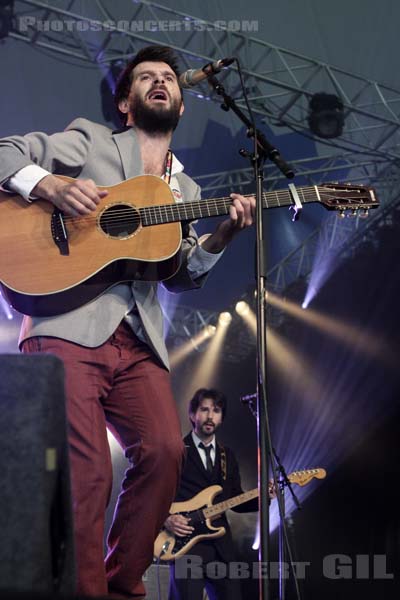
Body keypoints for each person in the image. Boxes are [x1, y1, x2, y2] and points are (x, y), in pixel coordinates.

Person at [0, 46, 255, 598]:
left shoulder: (184, 192)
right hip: (67, 325)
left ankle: (120, 583)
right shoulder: (91, 141)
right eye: (146, 78)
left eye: (169, 77)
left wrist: (225, 235)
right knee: (88, 473)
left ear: (182, 105)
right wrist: (49, 186)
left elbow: (180, 275)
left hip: (138, 340)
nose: (161, 82)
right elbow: (5, 150)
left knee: (166, 452)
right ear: (126, 103)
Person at [165, 388, 261, 600]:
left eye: (216, 411)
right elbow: (155, 493)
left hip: (221, 549)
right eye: (204, 409)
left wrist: (264, 498)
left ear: (222, 417)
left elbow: (236, 499)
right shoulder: (177, 450)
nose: (210, 416)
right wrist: (166, 519)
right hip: (187, 547)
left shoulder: (228, 455)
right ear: (192, 415)